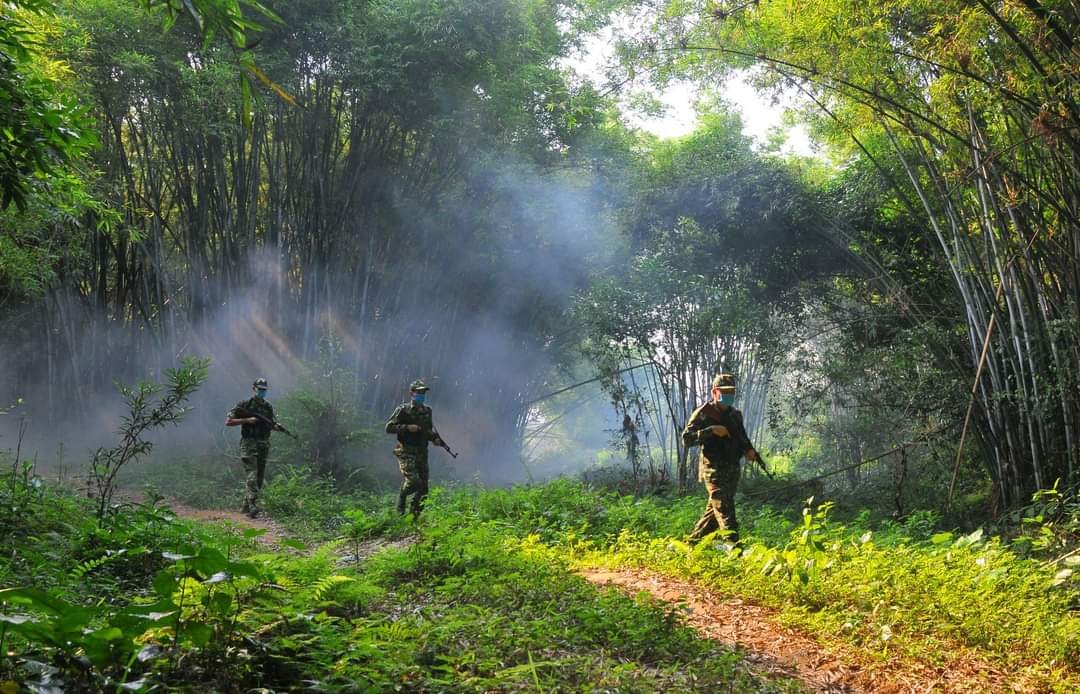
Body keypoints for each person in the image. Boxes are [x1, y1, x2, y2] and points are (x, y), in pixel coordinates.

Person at [681, 373, 760, 545]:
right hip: (713, 470)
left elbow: (742, 438)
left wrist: (749, 450)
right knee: (724, 509)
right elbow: (687, 439)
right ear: (714, 392)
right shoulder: (703, 413)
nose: (728, 395)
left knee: (714, 512)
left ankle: (689, 545)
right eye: (724, 391)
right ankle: (734, 548)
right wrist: (711, 431)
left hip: (732, 470)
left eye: (731, 391)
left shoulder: (735, 415)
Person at [385, 379, 447, 519]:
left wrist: (435, 439)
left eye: (423, 392)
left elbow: (428, 431)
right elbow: (389, 427)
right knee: (414, 482)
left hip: (422, 451)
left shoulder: (427, 411)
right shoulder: (403, 410)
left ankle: (414, 517)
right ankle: (402, 496)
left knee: (424, 489)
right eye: (418, 392)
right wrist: (407, 427)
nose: (421, 395)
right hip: (406, 450)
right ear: (411, 393)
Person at [225, 377, 283, 518]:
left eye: (264, 390)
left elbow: (271, 424)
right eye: (259, 389)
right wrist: (247, 420)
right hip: (249, 443)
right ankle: (252, 506)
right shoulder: (244, 405)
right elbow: (229, 421)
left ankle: (246, 506)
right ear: (254, 388)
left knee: (259, 477)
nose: (262, 392)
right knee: (252, 473)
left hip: (263, 443)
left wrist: (277, 427)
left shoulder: (267, 407)